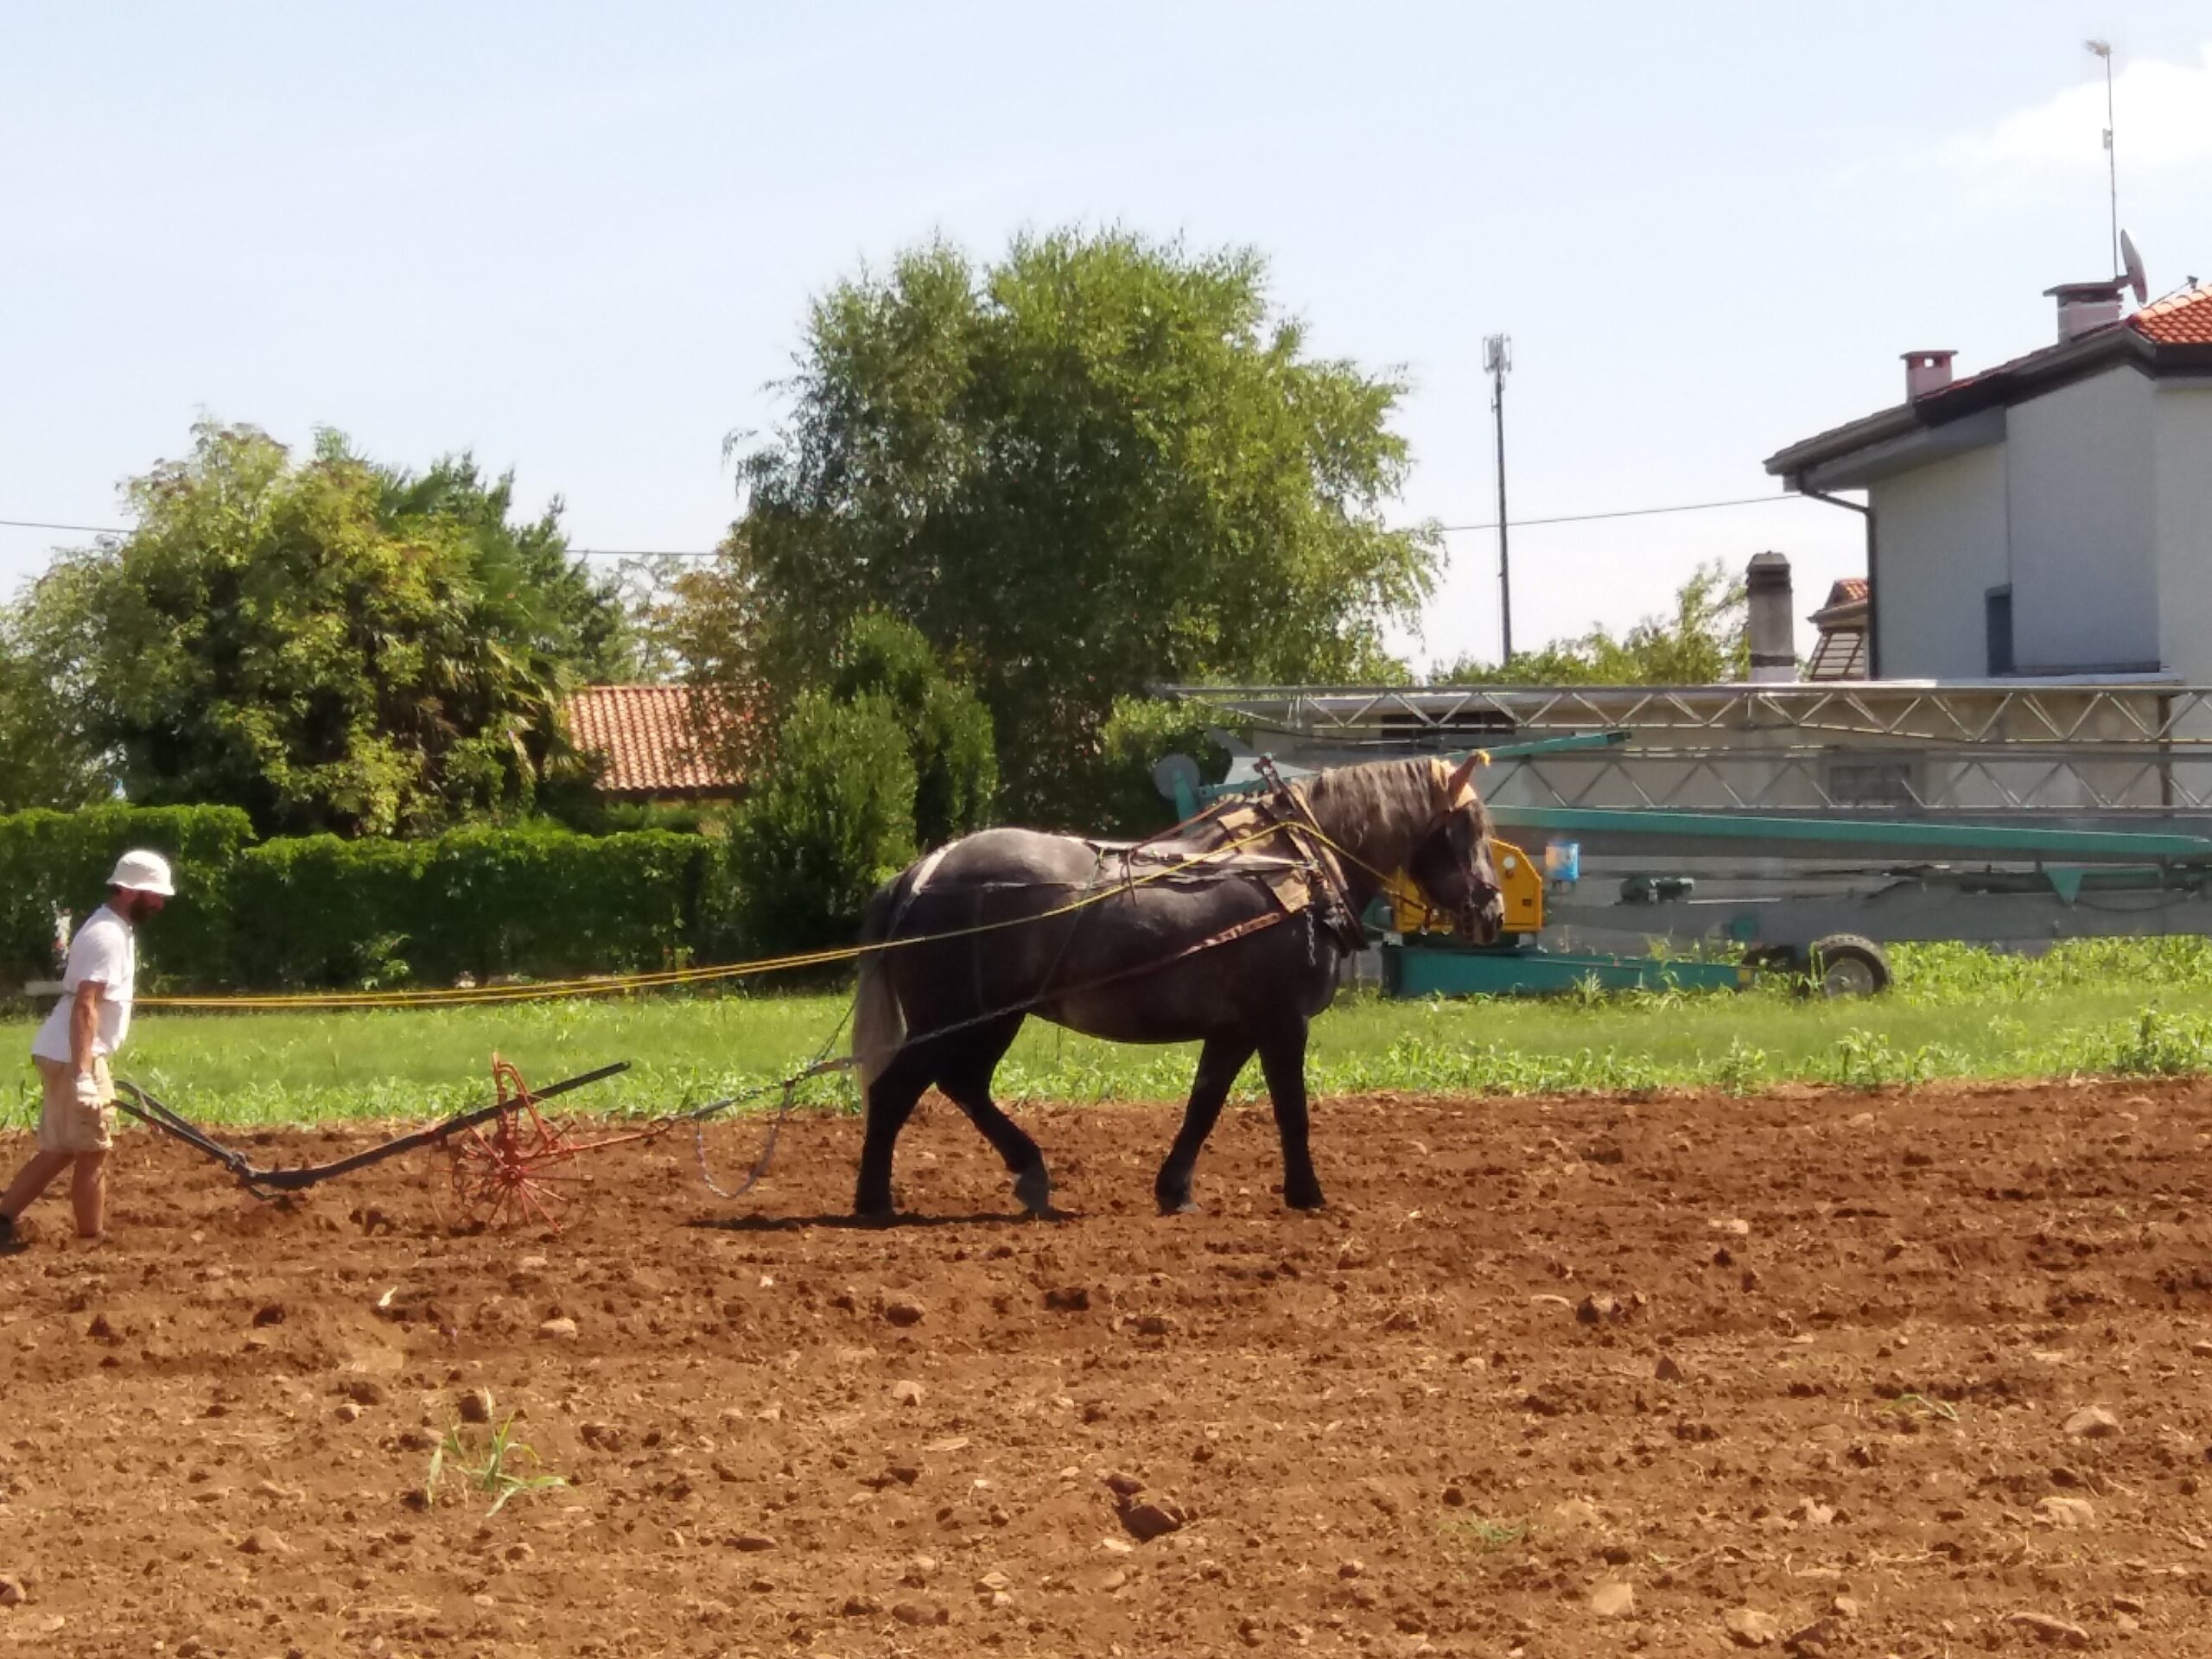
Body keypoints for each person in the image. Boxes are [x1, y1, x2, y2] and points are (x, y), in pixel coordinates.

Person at [0, 850, 174, 1249]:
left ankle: (3, 1216)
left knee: (61, 1148)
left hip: (69, 1052)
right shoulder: (107, 936)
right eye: (154, 895)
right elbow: (86, 1005)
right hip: (74, 1055)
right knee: (93, 1151)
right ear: (129, 891)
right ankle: (91, 1241)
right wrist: (83, 1077)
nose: (160, 903)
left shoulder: (114, 929)